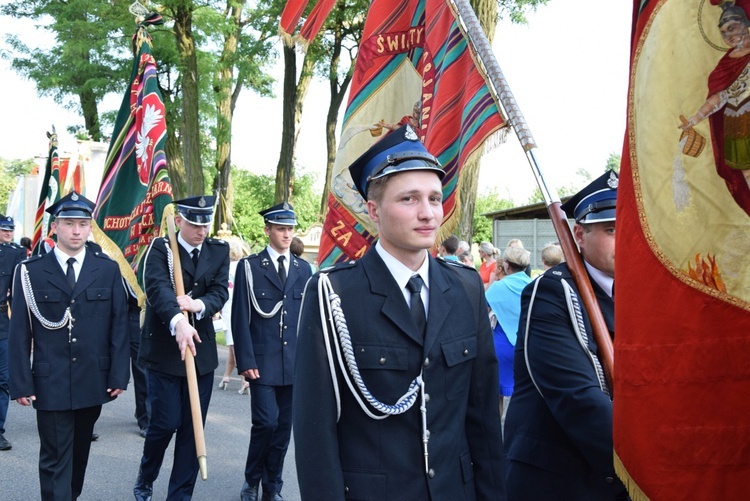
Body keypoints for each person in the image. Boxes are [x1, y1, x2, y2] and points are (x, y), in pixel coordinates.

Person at [293, 125, 505, 500]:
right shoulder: (334, 294)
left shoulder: (466, 288)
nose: (427, 214)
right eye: (409, 199)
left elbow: (484, 418)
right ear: (373, 210)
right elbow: (315, 431)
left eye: (434, 199)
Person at [503, 170, 627, 500]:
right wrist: (646, 464)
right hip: (559, 481)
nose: (625, 238)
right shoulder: (551, 292)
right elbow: (577, 397)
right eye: (611, 229)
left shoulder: (636, 294)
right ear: (579, 235)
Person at [8, 191, 130, 500]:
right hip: (50, 380)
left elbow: (118, 326)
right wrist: (20, 382)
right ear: (54, 227)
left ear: (91, 228)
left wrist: (118, 374)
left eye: (82, 224)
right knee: (54, 457)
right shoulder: (31, 271)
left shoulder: (106, 268)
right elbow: (20, 331)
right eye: (68, 223)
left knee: (79, 454)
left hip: (93, 377)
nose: (76, 231)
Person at [134, 195, 229, 501]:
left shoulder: (218, 250)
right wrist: (178, 321)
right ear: (179, 221)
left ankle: (179, 496)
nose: (201, 231)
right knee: (164, 424)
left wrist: (198, 304)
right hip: (166, 352)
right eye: (193, 224)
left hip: (200, 356)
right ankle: (146, 476)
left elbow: (219, 291)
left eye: (205, 224)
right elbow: (158, 289)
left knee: (192, 430)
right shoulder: (161, 248)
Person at [232, 202, 312, 501]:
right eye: (281, 229)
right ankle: (251, 480)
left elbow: (308, 321)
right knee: (265, 423)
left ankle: (272, 486)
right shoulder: (250, 267)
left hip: (293, 365)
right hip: (262, 362)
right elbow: (240, 318)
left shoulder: (304, 269)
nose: (287, 234)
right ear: (268, 230)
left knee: (282, 430)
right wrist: (245, 360)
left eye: (290, 229)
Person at [680, 1, 750, 213]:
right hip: (736, 126)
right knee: (746, 173)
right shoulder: (724, 65)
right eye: (723, 32)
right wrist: (695, 119)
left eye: (732, 28)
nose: (728, 35)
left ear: (745, 24)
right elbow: (717, 98)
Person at [485, 245, 532, 427]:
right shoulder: (533, 285)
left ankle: (496, 433)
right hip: (526, 345)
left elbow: (482, 311)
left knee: (497, 392)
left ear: (505, 265)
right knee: (524, 392)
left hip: (501, 344)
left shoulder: (498, 287)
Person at [0, 216, 27, 451]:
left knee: (3, 379)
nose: (9, 233)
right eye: (4, 230)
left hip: (2, 323)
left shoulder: (15, 253)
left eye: (11, 230)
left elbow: (19, 289)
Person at [218, 240, 244, 393]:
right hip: (239, 306)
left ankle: (243, 378)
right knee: (233, 345)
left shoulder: (226, 268)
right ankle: (227, 375)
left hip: (228, 307)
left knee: (233, 345)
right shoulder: (242, 267)